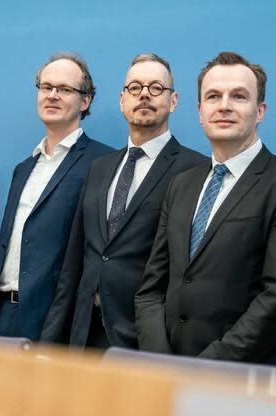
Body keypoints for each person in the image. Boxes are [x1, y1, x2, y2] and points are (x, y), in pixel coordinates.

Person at [135, 52, 276, 365]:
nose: (224, 106)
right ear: (199, 111)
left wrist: (206, 368)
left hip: (241, 379)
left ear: (260, 111)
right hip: (167, 376)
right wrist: (161, 362)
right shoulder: (182, 185)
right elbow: (151, 288)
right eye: (213, 96)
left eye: (239, 96)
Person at [41, 53, 207, 350]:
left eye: (156, 88)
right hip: (84, 335)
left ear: (174, 101)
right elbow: (74, 264)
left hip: (146, 339)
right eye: (135, 88)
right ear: (122, 100)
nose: (144, 94)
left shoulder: (196, 171)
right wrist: (52, 342)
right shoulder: (100, 168)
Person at [0, 53, 113, 340]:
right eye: (46, 87)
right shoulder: (23, 168)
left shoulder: (102, 163)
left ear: (85, 100)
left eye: (64, 89)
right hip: (0, 314)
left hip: (55, 321)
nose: (52, 95)